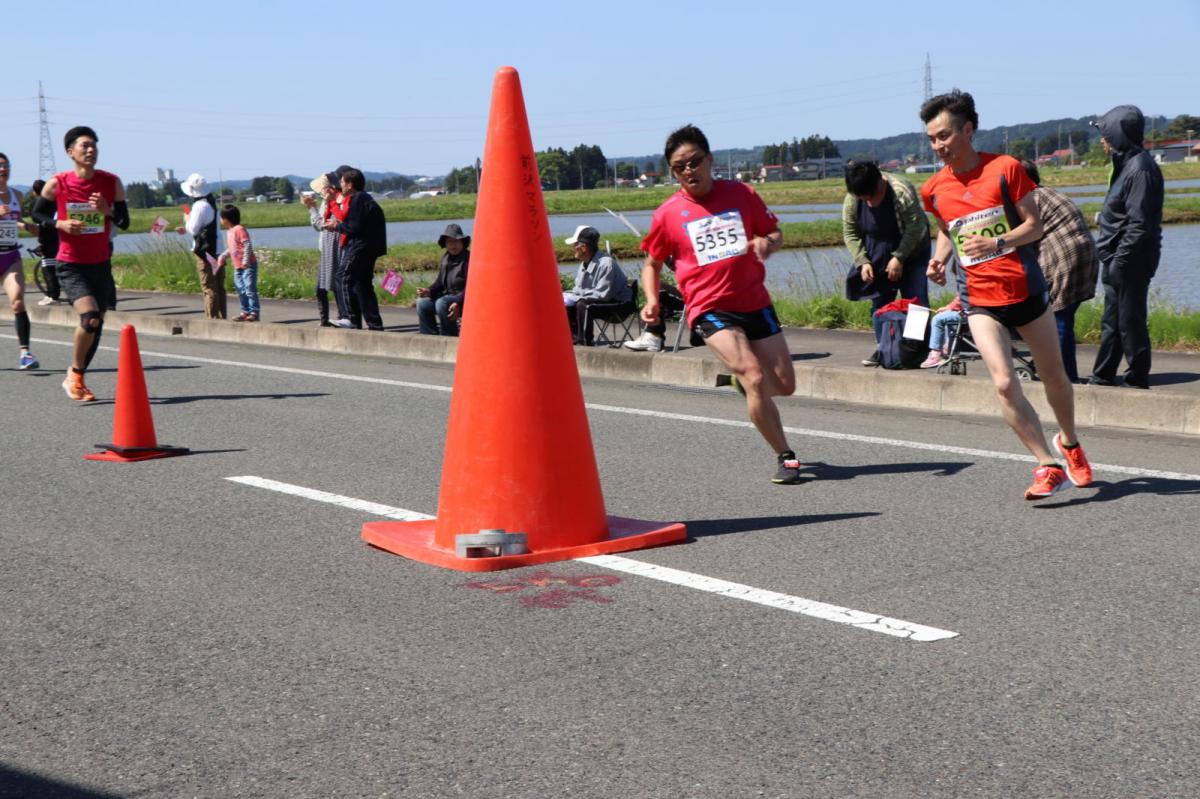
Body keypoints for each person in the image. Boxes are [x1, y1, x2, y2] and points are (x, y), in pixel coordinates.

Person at [919, 90, 1092, 499]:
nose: (938, 145)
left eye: (944, 135)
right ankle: (1047, 466)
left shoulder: (1006, 169)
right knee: (1002, 383)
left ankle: (1068, 442)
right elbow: (948, 227)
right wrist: (939, 259)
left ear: (968, 130)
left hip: (1026, 290)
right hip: (979, 299)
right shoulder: (933, 188)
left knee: (1054, 377)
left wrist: (997, 244)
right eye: (931, 139)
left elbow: (1034, 226)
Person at [640, 124, 802, 485]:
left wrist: (767, 244)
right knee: (753, 373)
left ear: (710, 160)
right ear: (672, 172)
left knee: (785, 385)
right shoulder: (667, 214)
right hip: (708, 307)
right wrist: (652, 301)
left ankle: (746, 386)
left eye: (695, 162)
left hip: (753, 300)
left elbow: (774, 232)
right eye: (679, 167)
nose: (688, 171)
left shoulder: (741, 194)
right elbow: (651, 265)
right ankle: (785, 456)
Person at [31, 125, 129, 401]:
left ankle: (77, 377)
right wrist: (60, 223)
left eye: (94, 146)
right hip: (70, 263)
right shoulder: (58, 183)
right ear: (70, 152)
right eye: (84, 146)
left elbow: (125, 221)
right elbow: (38, 215)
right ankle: (74, 374)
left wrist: (106, 210)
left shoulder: (111, 182)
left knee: (96, 325)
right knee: (90, 318)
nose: (90, 150)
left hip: (100, 263)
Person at [1087, 105, 1164, 390]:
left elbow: (1139, 224)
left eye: (1105, 133)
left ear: (1119, 135)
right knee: (1113, 322)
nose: (1102, 139)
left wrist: (1120, 260)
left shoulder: (1141, 169)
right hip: (1117, 257)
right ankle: (1103, 376)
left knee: (1130, 323)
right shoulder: (1126, 164)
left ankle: (1136, 381)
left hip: (1130, 259)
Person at [841, 160, 931, 367]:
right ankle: (885, 348)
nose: (865, 200)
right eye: (860, 196)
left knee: (915, 300)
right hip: (877, 253)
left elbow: (916, 228)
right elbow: (851, 233)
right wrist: (862, 261)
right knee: (880, 303)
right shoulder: (853, 197)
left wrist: (899, 257)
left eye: (868, 195)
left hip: (913, 249)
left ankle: (916, 349)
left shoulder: (900, 190)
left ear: (879, 182)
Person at [1019, 159, 1099, 383]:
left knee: (1057, 316)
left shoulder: (1029, 198)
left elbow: (1020, 239)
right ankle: (1060, 372)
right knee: (1061, 317)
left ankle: (1064, 378)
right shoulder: (1045, 193)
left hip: (1062, 257)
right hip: (1083, 254)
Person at [322, 168, 385, 330]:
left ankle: (348, 317)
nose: (340, 185)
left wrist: (336, 226)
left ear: (350, 185)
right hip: (370, 247)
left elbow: (353, 227)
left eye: (342, 182)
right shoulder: (364, 198)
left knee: (342, 276)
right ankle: (375, 325)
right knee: (362, 285)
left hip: (361, 246)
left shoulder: (357, 198)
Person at [0, 152, 41, 369]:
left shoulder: (16, 194)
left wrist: (26, 226)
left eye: (6, 165)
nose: (3, 169)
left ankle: (25, 353)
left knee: (17, 300)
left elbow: (15, 220)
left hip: (10, 256)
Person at [562, 225, 631, 346]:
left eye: (575, 246)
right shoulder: (584, 263)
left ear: (583, 247)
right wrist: (569, 296)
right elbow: (579, 288)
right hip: (602, 300)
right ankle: (573, 339)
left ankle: (585, 342)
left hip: (619, 305)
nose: (573, 249)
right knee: (567, 304)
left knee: (583, 305)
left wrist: (577, 296)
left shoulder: (606, 264)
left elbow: (603, 294)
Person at [176, 173, 225, 319]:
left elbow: (193, 229)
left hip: (205, 252)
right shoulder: (211, 203)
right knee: (219, 287)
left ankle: (211, 320)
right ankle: (222, 317)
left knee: (208, 287)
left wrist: (187, 219)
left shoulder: (199, 206)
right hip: (218, 249)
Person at [417, 223, 470, 336]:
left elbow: (472, 287)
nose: (452, 245)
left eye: (456, 241)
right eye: (449, 242)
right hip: (448, 296)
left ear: (462, 242)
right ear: (445, 244)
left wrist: (458, 302)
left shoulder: (468, 259)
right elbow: (440, 282)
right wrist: (429, 291)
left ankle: (449, 336)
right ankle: (429, 336)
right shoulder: (446, 258)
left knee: (442, 303)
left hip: (464, 299)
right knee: (422, 303)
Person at [300, 173, 339, 326]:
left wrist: (311, 208)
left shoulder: (331, 202)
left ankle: (336, 319)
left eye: (321, 189)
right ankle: (330, 320)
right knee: (328, 287)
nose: (319, 192)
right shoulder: (327, 201)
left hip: (331, 251)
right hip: (327, 250)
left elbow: (320, 225)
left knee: (326, 287)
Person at [216, 204, 259, 322]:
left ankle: (254, 312)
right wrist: (223, 255)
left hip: (248, 265)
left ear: (226, 219)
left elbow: (247, 245)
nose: (220, 220)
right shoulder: (230, 231)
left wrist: (245, 260)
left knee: (250, 288)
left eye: (221, 218)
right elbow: (232, 248)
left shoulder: (239, 229)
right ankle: (245, 311)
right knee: (240, 289)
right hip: (237, 267)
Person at [30, 179, 63, 307]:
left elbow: (39, 222)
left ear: (35, 191)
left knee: (48, 268)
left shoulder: (40, 204)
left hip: (49, 239)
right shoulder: (55, 201)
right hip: (59, 238)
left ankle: (52, 295)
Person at [920, 295, 964, 369]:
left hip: (968, 312)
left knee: (937, 319)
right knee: (944, 316)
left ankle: (936, 354)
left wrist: (949, 307)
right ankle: (947, 348)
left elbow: (962, 297)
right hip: (979, 310)